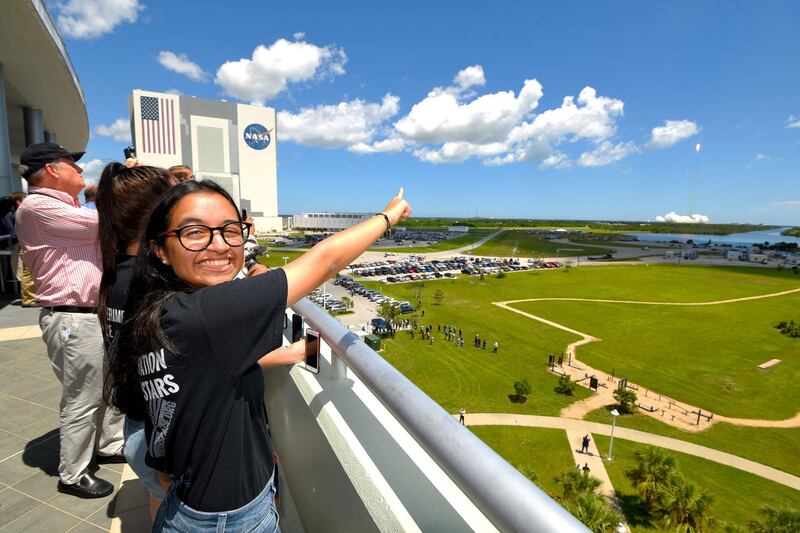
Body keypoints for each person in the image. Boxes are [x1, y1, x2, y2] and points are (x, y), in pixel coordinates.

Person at [109, 181, 411, 530]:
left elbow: (193, 389)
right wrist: (388, 216)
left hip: (187, 504)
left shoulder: (159, 312)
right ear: (160, 249)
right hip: (230, 519)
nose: (218, 245)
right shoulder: (206, 317)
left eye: (229, 230)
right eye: (194, 233)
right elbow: (325, 260)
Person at [15, 142, 124, 498]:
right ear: (50, 170)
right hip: (74, 318)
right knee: (82, 398)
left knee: (108, 387)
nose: (80, 171)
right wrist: (119, 184)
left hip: (91, 315)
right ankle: (73, 473)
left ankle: (110, 444)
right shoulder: (38, 207)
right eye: (72, 166)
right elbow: (109, 223)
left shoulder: (66, 207)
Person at [97, 162, 176, 519]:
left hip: (137, 425)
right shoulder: (156, 285)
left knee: (158, 504)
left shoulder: (116, 274)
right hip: (163, 435)